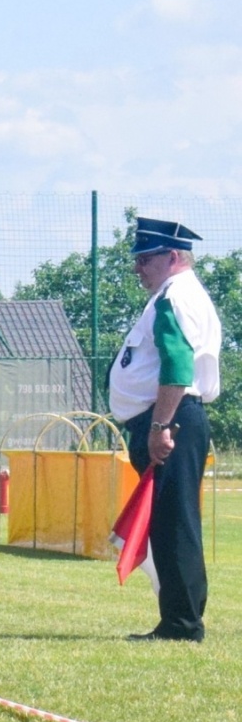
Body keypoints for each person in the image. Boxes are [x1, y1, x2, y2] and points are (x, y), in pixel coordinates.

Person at [109, 218, 221, 643]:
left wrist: (159, 425)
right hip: (169, 417)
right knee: (169, 523)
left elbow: (177, 364)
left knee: (175, 524)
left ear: (172, 257)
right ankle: (177, 619)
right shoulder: (172, 294)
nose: (138, 267)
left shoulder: (175, 296)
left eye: (145, 258)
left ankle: (183, 623)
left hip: (170, 419)